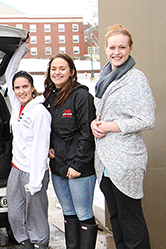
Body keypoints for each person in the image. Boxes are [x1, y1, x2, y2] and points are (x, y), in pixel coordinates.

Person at [91, 24, 155, 249]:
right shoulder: (105, 75)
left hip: (126, 159)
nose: (116, 52)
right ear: (106, 49)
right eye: (112, 47)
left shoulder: (136, 78)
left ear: (130, 49)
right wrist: (95, 123)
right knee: (116, 220)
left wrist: (109, 126)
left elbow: (147, 119)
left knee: (131, 221)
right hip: (105, 161)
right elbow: (101, 112)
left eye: (122, 47)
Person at [43, 53, 97, 248]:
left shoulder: (81, 96)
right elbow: (48, 128)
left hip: (78, 168)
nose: (57, 72)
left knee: (83, 213)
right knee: (68, 212)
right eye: (54, 69)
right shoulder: (50, 97)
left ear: (72, 72)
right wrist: (48, 146)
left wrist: (78, 165)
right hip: (58, 167)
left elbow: (86, 133)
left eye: (62, 68)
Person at [5, 41, 52, 249]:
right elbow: (9, 74)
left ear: (33, 88)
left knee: (36, 216)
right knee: (14, 213)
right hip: (16, 169)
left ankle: (40, 244)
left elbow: (41, 149)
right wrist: (21, 51)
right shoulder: (17, 106)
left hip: (35, 170)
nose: (21, 91)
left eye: (25, 86)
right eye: (17, 87)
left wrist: (35, 182)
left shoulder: (39, 112)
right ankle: (25, 243)